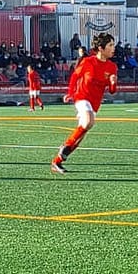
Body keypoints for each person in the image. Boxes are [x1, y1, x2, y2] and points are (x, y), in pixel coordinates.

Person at [52, 32, 118, 174]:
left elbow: (112, 91)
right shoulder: (88, 62)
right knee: (88, 122)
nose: (113, 48)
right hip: (82, 97)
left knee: (81, 135)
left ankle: (57, 161)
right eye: (110, 45)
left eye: (113, 45)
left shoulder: (112, 67)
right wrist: (70, 93)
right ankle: (64, 147)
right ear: (100, 48)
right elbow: (75, 76)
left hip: (95, 104)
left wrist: (113, 83)